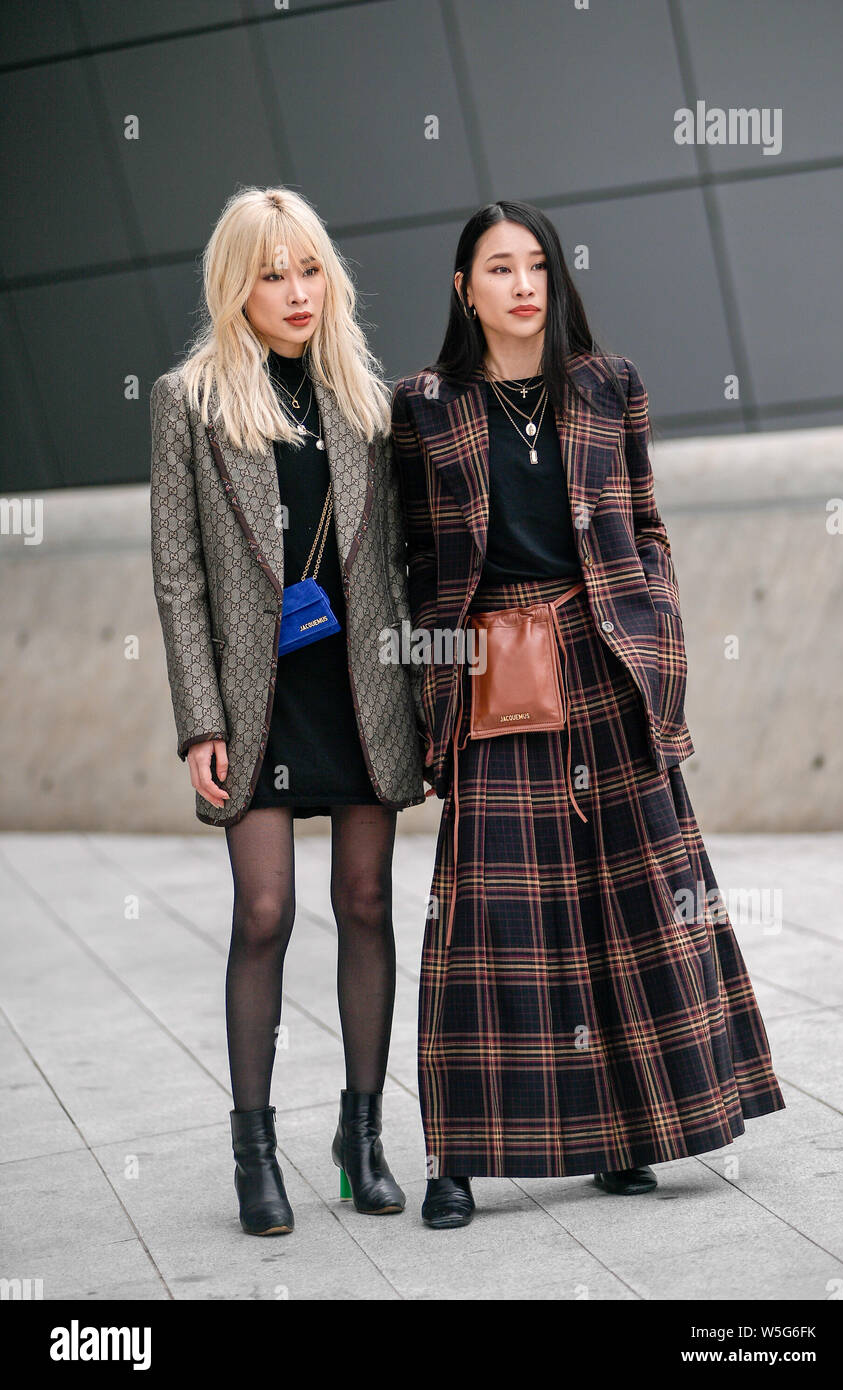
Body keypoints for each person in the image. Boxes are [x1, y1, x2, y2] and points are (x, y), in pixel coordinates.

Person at [390, 200, 786, 1230]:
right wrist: (437, 692)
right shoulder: (423, 406)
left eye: (536, 266)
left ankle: (628, 1135)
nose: (522, 285)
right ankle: (456, 1156)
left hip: (606, 664)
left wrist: (655, 619)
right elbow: (416, 563)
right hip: (496, 673)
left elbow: (643, 521)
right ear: (461, 289)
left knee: (637, 900)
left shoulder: (607, 385)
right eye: (497, 269)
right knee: (484, 918)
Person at [149, 186, 428, 1235]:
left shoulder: (365, 397)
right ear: (237, 286)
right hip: (257, 698)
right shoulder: (189, 402)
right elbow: (179, 579)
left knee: (364, 902)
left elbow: (401, 559)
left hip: (357, 693)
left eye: (307, 267)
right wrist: (199, 719)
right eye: (271, 273)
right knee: (262, 912)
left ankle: (361, 1139)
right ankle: (251, 1149)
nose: (295, 291)